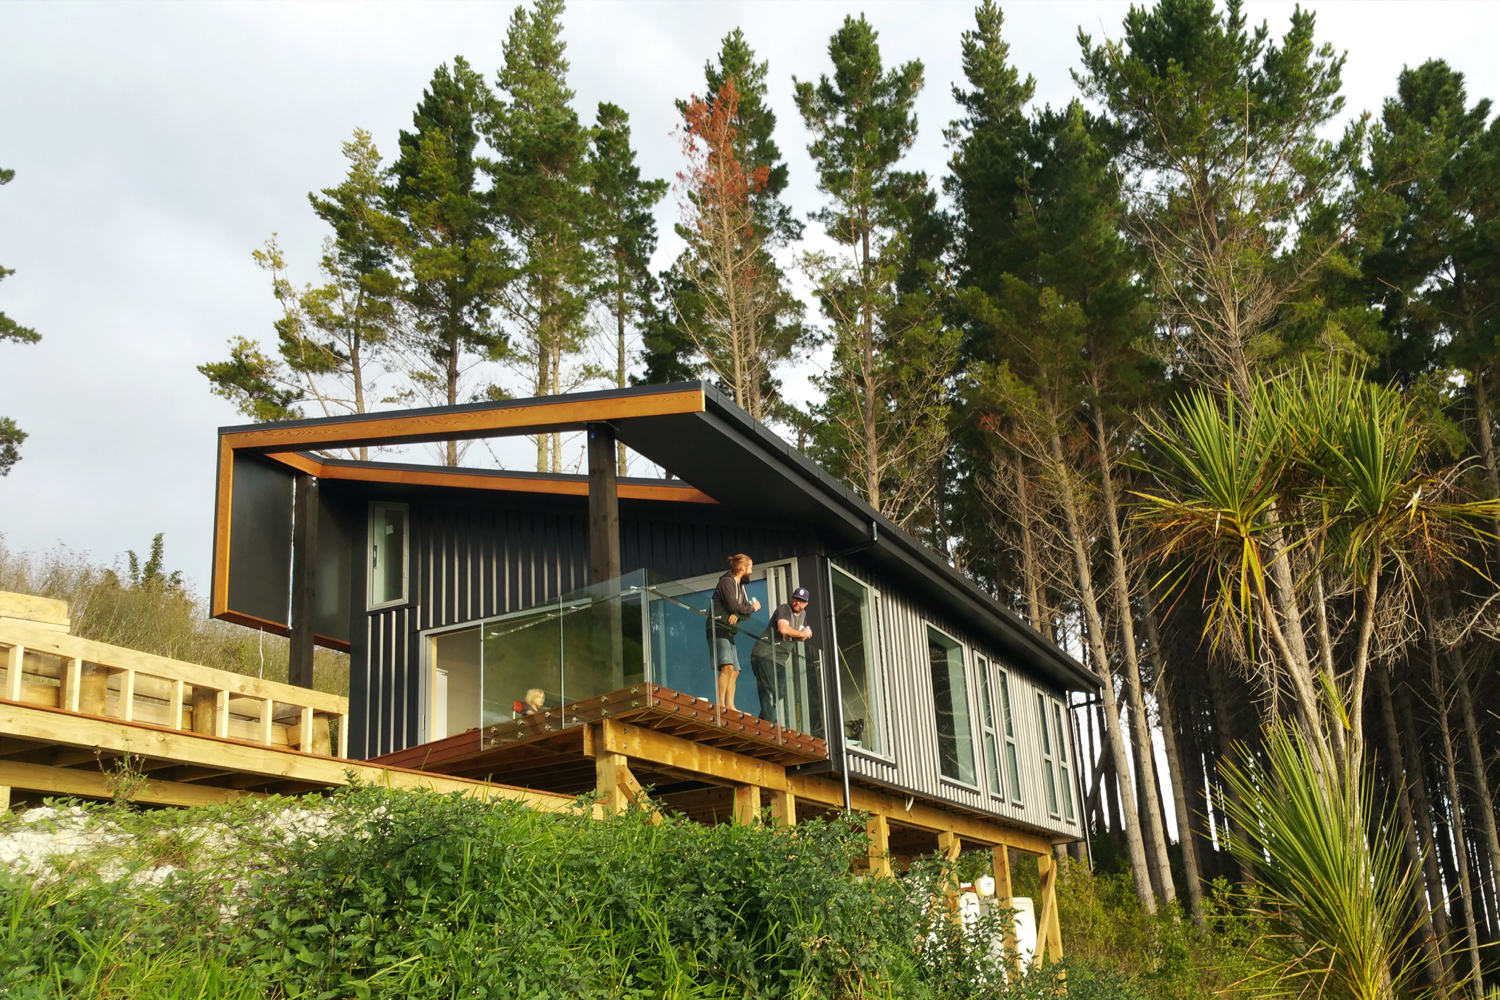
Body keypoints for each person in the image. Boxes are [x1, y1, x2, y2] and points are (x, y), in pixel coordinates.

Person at [749, 587, 812, 725]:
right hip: (764, 654)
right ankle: (768, 721)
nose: (798, 603)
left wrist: (802, 633)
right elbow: (784, 629)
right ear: (792, 598)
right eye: (796, 599)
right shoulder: (785, 608)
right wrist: (802, 633)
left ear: (806, 603)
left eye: (802, 601)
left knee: (779, 692)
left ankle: (762, 720)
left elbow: (801, 637)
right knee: (769, 688)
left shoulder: (803, 615)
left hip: (780, 659)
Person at [708, 553, 760, 712]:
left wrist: (739, 614)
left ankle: (730, 705)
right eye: (750, 568)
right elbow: (734, 605)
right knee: (727, 667)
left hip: (729, 630)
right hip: (718, 627)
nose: (751, 571)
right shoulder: (726, 582)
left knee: (735, 670)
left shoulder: (741, 587)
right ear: (743, 568)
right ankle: (721, 704)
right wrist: (752, 607)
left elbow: (742, 612)